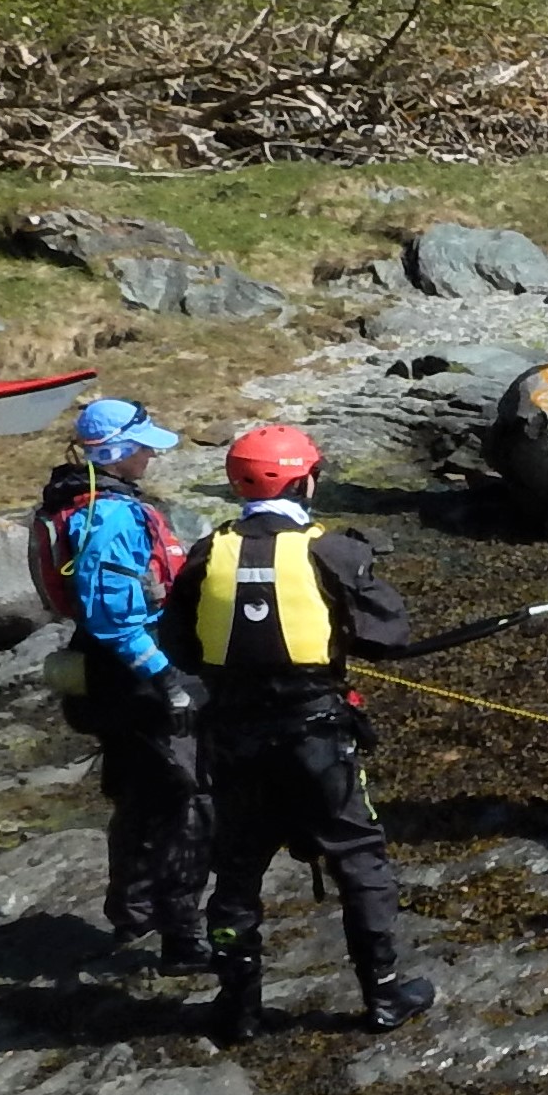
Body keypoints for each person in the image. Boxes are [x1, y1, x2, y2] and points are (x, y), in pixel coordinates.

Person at [180, 425, 431, 1041]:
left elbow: (181, 643)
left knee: (236, 869)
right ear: (305, 480)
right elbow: (389, 635)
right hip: (315, 737)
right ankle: (383, 995)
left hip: (233, 739)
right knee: (357, 857)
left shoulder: (207, 550)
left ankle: (237, 1006)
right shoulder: (334, 551)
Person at [30, 398, 206, 973]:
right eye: (144, 446)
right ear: (117, 453)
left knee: (140, 790)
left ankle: (132, 914)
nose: (153, 454)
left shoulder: (83, 504)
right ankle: (182, 935)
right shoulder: (109, 517)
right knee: (186, 797)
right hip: (137, 675)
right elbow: (113, 617)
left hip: (110, 674)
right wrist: (170, 681)